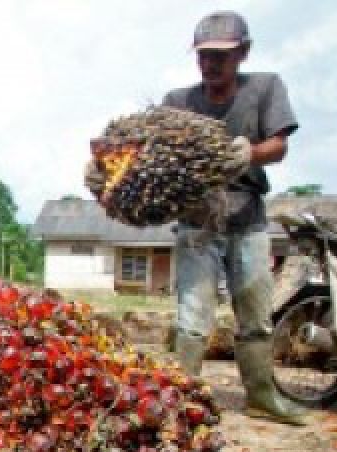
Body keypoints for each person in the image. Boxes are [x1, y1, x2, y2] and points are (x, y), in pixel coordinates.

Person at [89, 11, 307, 424]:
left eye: (221, 56)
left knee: (255, 312)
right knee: (193, 316)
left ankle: (262, 395)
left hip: (247, 219)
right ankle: (179, 397)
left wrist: (249, 153)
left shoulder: (264, 88)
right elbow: (135, 154)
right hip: (197, 223)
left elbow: (278, 146)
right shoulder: (177, 103)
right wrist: (100, 172)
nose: (211, 64)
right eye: (204, 55)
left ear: (244, 52)